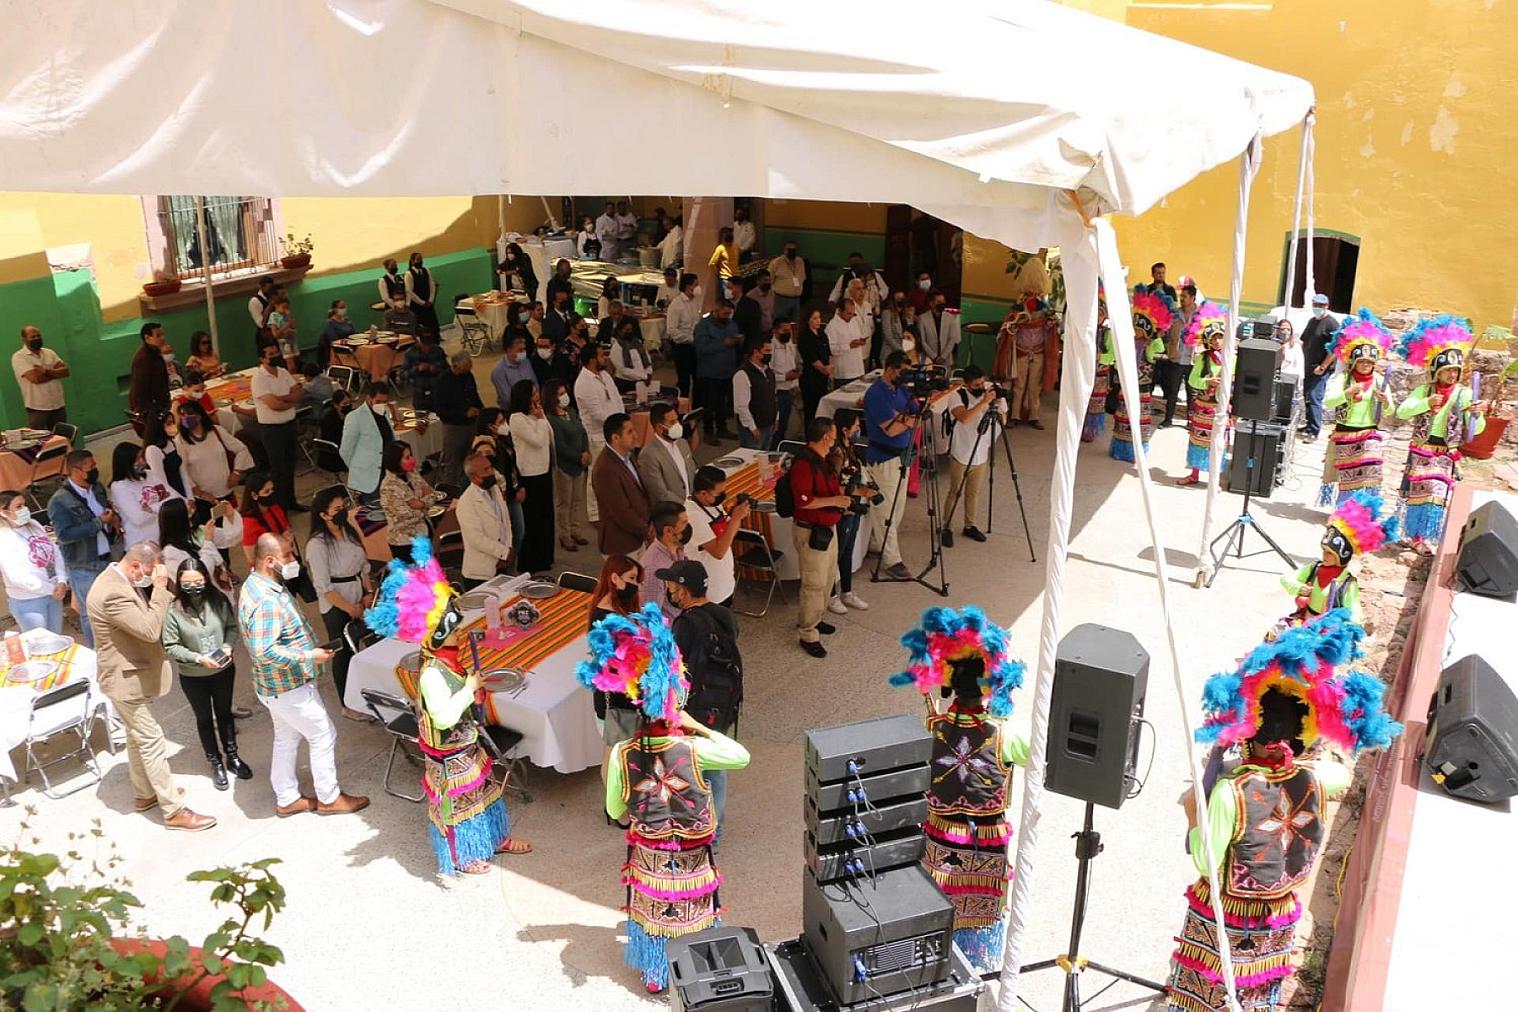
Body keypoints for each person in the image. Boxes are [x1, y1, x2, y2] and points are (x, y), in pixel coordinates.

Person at [1170, 610, 1400, 1012]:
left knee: (1213, 996)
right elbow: (1337, 774)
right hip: (1278, 914)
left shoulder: (1230, 793)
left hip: (1229, 915)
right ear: (1302, 734)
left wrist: (1194, 814)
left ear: (1246, 731)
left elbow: (1206, 862)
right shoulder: (1317, 780)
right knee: (1258, 996)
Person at [579, 605, 749, 994]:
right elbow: (740, 757)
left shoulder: (623, 753)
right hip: (692, 858)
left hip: (650, 859)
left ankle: (656, 974)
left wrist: (643, 807)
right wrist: (697, 727)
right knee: (694, 910)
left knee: (654, 913)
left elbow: (615, 810)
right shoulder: (693, 748)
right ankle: (696, 963)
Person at [367, 538, 530, 874]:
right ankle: (465, 855)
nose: (459, 632)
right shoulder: (431, 674)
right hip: (449, 757)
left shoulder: (448, 663)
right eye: (453, 629)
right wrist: (469, 689)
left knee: (485, 795)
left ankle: (495, 838)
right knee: (459, 808)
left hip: (467, 747)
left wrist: (473, 691)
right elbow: (443, 717)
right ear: (438, 634)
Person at [890, 606, 1028, 972]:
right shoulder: (1007, 736)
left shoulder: (931, 726)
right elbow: (1042, 753)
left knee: (940, 899)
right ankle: (975, 963)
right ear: (989, 686)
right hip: (986, 842)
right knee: (978, 913)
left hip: (940, 836)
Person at [89, 543, 217, 831]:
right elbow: (148, 630)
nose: (153, 576)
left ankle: (145, 793)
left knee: (137, 737)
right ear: (136, 566)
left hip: (131, 674)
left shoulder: (119, 580)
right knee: (152, 739)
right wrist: (159, 589)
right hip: (124, 679)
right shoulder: (112, 592)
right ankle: (173, 810)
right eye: (151, 570)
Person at [239, 532, 369, 817]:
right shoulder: (266, 601)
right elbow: (264, 651)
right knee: (323, 734)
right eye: (287, 555)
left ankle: (287, 797)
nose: (293, 560)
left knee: (287, 737)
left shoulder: (257, 584)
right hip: (289, 687)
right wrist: (310, 656)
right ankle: (329, 797)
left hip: (274, 687)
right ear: (269, 560)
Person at [657, 561, 744, 851]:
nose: (670, 591)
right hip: (723, 705)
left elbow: (674, 669)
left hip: (695, 710)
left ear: (683, 590)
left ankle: (698, 832)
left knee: (693, 771)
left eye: (672, 586)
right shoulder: (723, 614)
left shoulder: (686, 624)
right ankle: (714, 833)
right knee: (716, 768)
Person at [1394, 315, 1485, 551]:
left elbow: (1477, 429)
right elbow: (1402, 412)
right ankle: (1412, 535)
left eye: (1455, 370)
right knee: (1416, 494)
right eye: (1447, 370)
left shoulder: (1464, 394)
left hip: (1446, 452)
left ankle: (1425, 537)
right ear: (1437, 371)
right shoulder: (1424, 390)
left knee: (1435, 495)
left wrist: (1475, 415)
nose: (1452, 375)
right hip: (1420, 450)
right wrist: (1426, 403)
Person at [163, 556, 250, 791]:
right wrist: (198, 658)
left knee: (224, 713)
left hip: (223, 670)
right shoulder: (174, 610)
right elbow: (171, 645)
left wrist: (227, 647)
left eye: (198, 582)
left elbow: (231, 627)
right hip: (193, 676)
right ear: (179, 583)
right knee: (204, 718)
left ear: (205, 579)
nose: (193, 587)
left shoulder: (218, 601)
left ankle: (232, 756)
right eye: (187, 583)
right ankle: (215, 761)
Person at [1275, 490, 1396, 636]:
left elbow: (1355, 614)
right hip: (1303, 623)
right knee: (1274, 636)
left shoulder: (1347, 583)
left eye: (1330, 553)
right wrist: (1300, 587)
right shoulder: (1314, 568)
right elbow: (1286, 578)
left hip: (1324, 633)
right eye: (1324, 550)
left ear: (1342, 556)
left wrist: (1343, 625)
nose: (1324, 556)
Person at [1311, 309, 1399, 506]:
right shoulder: (1344, 379)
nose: (1366, 365)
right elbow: (1329, 402)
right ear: (1354, 362)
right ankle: (1345, 509)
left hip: (1369, 434)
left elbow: (1390, 411)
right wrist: (1347, 393)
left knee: (1372, 474)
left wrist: (1386, 401)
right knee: (1349, 478)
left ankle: (1367, 509)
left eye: (1369, 362)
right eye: (1362, 361)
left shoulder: (1379, 381)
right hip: (1345, 434)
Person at [304, 486, 372, 722]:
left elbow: (363, 565)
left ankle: (365, 692)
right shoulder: (317, 545)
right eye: (336, 509)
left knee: (363, 646)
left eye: (343, 507)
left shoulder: (349, 531)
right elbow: (323, 586)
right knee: (343, 652)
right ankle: (348, 703)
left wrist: (367, 593)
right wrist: (349, 608)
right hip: (336, 603)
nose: (342, 512)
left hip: (358, 593)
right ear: (324, 515)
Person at [789, 417, 854, 656]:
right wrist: (835, 501)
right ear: (826, 437)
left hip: (827, 528)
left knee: (827, 579)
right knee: (813, 584)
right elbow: (803, 501)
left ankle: (816, 618)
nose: (835, 441)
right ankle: (808, 632)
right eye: (834, 436)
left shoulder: (822, 460)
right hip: (811, 531)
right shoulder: (804, 464)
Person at [48, 450, 120, 646]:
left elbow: (106, 508)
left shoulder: (97, 488)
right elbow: (64, 535)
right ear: (76, 471)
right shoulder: (59, 501)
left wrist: (113, 519)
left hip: (107, 558)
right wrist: (98, 523)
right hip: (83, 565)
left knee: (113, 606)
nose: (95, 470)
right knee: (90, 613)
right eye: (91, 467)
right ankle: (97, 651)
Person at [587, 553, 645, 791]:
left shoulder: (613, 609)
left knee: (619, 755)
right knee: (614, 758)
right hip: (615, 701)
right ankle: (613, 806)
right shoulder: (607, 619)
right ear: (614, 578)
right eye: (631, 578)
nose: (635, 584)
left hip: (618, 698)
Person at [861, 352, 920, 582]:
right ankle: (892, 560)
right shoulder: (876, 394)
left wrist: (902, 418)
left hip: (903, 457)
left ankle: (878, 544)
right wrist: (907, 420)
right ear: (890, 369)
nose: (905, 377)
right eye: (902, 371)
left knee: (898, 507)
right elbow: (891, 429)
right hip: (883, 458)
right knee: (885, 510)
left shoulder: (902, 389)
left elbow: (918, 414)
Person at [940, 366, 1005, 545]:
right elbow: (964, 418)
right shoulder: (957, 396)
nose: (981, 387)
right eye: (976, 385)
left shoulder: (990, 395)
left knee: (973, 493)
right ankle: (947, 526)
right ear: (966, 384)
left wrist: (998, 404)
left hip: (981, 453)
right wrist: (984, 402)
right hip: (961, 453)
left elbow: (1003, 420)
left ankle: (970, 525)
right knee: (955, 492)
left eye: (982, 383)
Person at [1110, 287, 1173, 462]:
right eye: (1135, 328)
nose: (1136, 331)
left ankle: (1134, 452)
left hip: (1142, 389)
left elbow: (1160, 349)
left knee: (1138, 420)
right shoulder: (1129, 342)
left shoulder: (1149, 346)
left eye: (1139, 329)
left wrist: (1156, 335)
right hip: (1127, 386)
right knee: (1123, 418)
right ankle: (1120, 450)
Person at [1176, 303, 1233, 487]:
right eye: (1214, 337)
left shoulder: (1232, 358)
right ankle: (1194, 474)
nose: (1217, 341)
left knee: (1218, 443)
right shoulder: (1203, 358)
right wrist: (1207, 382)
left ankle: (1214, 480)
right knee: (1198, 441)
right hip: (1204, 408)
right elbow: (1193, 380)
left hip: (1222, 407)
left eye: (1220, 337)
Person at [0, 490, 69, 632]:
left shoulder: (34, 524)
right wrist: (51, 589)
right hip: (30, 601)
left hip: (54, 593)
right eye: (18, 507)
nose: (24, 509)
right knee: (40, 641)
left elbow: (54, 551)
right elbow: (16, 577)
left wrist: (62, 580)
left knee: (56, 637)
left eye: (24, 505)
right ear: (4, 512)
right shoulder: (4, 537)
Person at [507, 380, 555, 574]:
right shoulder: (517, 418)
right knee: (533, 519)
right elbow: (537, 441)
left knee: (546, 516)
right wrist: (541, 420)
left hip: (544, 470)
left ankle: (546, 556)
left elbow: (549, 436)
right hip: (529, 473)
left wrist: (541, 417)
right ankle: (532, 561)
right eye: (534, 392)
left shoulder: (537, 414)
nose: (537, 395)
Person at [683, 466, 749, 610]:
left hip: (724, 583)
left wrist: (736, 515)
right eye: (719, 493)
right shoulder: (693, 516)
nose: (722, 496)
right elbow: (718, 552)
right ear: (703, 493)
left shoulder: (713, 505)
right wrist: (735, 519)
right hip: (709, 592)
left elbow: (729, 533)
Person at [157, 497, 239, 610]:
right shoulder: (170, 552)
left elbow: (230, 538)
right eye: (188, 510)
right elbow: (197, 575)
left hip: (221, 596)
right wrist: (208, 542)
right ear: (180, 518)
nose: (192, 508)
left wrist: (230, 517)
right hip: (204, 606)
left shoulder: (198, 531)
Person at [250, 341, 304, 511]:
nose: (276, 356)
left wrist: (283, 398)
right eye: (271, 354)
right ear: (262, 358)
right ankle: (280, 507)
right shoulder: (259, 378)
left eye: (276, 352)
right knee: (278, 470)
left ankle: (291, 502)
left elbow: (299, 393)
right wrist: (289, 400)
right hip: (272, 430)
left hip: (289, 426)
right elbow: (274, 405)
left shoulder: (283, 372)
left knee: (290, 467)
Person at [826, 409, 870, 615]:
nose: (859, 429)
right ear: (845, 429)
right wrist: (858, 493)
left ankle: (847, 591)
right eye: (856, 426)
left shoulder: (849, 447)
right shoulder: (836, 453)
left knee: (848, 550)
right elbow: (833, 485)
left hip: (854, 504)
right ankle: (830, 595)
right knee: (837, 552)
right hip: (843, 508)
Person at [573, 342, 622, 521]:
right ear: (593, 360)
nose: (605, 358)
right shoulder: (583, 382)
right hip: (596, 435)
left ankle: (612, 507)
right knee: (596, 473)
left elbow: (617, 398)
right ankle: (594, 513)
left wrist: (622, 419)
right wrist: (617, 422)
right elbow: (596, 413)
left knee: (615, 472)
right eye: (602, 355)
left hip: (614, 431)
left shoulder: (604, 375)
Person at [592, 413, 652, 556]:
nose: (636, 435)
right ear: (615, 438)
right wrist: (648, 530)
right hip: (622, 544)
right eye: (630, 432)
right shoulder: (605, 469)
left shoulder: (628, 456)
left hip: (638, 537)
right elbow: (621, 512)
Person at [543, 379, 590, 553]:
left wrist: (586, 451)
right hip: (564, 467)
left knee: (577, 500)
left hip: (579, 464)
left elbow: (582, 432)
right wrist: (578, 457)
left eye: (565, 392)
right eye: (561, 393)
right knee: (565, 503)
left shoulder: (571, 411)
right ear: (552, 397)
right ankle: (565, 535)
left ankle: (575, 530)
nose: (565, 396)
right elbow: (560, 446)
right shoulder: (551, 419)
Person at [455, 451, 514, 588]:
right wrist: (503, 552)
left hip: (501, 564)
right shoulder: (466, 502)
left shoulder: (495, 490)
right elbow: (476, 539)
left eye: (491, 467)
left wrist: (508, 547)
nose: (492, 472)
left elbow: (505, 522)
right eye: (486, 470)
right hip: (480, 573)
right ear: (474, 477)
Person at [108, 440, 177, 548]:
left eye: (142, 457)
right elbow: (139, 518)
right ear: (127, 463)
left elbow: (174, 498)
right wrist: (164, 503)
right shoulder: (119, 487)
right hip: (142, 544)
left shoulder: (150, 474)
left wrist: (150, 508)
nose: (142, 461)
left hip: (164, 537)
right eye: (137, 459)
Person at [334, 380, 393, 505]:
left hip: (388, 469)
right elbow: (345, 450)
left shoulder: (385, 411)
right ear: (368, 398)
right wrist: (359, 468)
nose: (382, 404)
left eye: (384, 401)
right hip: (369, 474)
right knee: (374, 509)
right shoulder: (355, 417)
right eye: (378, 401)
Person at [378, 442, 438, 564]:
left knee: (429, 570)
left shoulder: (412, 473)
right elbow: (406, 517)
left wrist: (421, 503)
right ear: (396, 461)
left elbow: (432, 495)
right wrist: (424, 504)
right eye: (407, 457)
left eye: (411, 455)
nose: (412, 460)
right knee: (415, 574)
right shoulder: (388, 487)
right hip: (405, 542)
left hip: (424, 531)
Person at [694, 298, 742, 442]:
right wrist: (724, 343)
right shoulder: (703, 326)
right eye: (724, 314)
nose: (727, 316)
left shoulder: (731, 324)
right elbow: (701, 348)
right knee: (709, 404)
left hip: (727, 370)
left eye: (729, 314)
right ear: (716, 311)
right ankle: (708, 432)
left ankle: (722, 428)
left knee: (722, 402)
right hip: (709, 372)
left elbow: (735, 343)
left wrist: (738, 340)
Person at [436, 351, 483, 487]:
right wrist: (464, 414)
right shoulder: (443, 381)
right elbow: (441, 410)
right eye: (466, 367)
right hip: (454, 427)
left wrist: (481, 410)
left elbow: (475, 395)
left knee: (471, 459)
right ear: (456, 366)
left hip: (471, 424)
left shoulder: (468, 376)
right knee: (452, 463)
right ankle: (449, 489)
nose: (469, 369)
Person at [1299, 293, 1342, 440]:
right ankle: (1309, 424)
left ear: (1327, 306)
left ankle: (1314, 430)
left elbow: (1336, 349)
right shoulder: (1312, 321)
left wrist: (1323, 366)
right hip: (1309, 366)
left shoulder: (1331, 324)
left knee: (1314, 397)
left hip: (1321, 369)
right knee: (1307, 395)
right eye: (1316, 305)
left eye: (1321, 305)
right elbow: (1305, 340)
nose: (1318, 307)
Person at [11, 324, 70, 431]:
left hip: (58, 404)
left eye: (38, 336)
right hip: (37, 407)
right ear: (24, 340)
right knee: (38, 438)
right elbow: (35, 379)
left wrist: (46, 371)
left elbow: (65, 372)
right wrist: (55, 372)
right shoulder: (19, 357)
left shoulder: (49, 352)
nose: (37, 338)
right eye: (33, 337)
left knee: (61, 436)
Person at [638, 402, 696, 509]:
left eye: (677, 420)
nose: (678, 425)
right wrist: (687, 507)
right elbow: (660, 493)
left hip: (693, 503)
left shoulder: (682, 443)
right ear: (660, 427)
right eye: (672, 422)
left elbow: (692, 471)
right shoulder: (648, 455)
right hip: (673, 510)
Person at [640, 502, 689, 620]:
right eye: (684, 523)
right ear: (668, 531)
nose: (688, 527)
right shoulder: (654, 569)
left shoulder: (678, 549)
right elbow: (651, 617)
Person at [1158, 283, 1197, 428]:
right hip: (1176, 357)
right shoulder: (1174, 314)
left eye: (1184, 296)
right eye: (1181, 296)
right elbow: (1165, 330)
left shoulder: (1200, 316)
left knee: (1191, 393)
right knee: (1172, 391)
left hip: (1193, 359)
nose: (1181, 299)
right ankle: (1168, 419)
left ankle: (1191, 421)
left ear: (1192, 298)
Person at [732, 334, 778, 451]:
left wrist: (776, 418)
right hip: (753, 428)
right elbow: (741, 406)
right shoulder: (743, 374)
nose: (770, 354)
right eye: (767, 351)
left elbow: (773, 396)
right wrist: (752, 427)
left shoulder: (769, 372)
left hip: (768, 425)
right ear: (756, 352)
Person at [238, 471, 293, 568]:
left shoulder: (274, 507)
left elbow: (286, 529)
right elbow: (251, 558)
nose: (271, 493)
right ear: (254, 495)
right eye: (266, 491)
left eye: (272, 489)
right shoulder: (248, 523)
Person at [129, 322, 172, 433]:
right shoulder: (143, 359)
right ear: (147, 338)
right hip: (150, 409)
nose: (162, 338)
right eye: (158, 335)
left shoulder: (155, 353)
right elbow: (140, 388)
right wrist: (150, 412)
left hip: (160, 404)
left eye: (163, 334)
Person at [1083, 295, 1114, 443]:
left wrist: (1098, 356)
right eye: (1095, 313)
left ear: (1104, 316)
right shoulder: (1085, 330)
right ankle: (1079, 428)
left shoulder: (1107, 333)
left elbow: (1112, 356)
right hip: (1084, 371)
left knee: (1095, 402)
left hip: (1100, 375)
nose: (1097, 317)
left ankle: (1091, 429)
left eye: (1100, 314)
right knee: (1083, 400)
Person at [666, 271, 702, 399]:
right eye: (696, 284)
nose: (698, 287)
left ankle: (697, 405)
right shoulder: (676, 305)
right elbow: (672, 330)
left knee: (698, 378)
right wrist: (691, 339)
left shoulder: (696, 301)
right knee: (684, 381)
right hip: (682, 348)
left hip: (696, 347)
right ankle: (682, 406)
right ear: (688, 286)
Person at [798, 308, 833, 424]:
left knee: (821, 409)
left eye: (819, 318)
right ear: (808, 320)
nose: (818, 321)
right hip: (810, 377)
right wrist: (823, 368)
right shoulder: (805, 336)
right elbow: (811, 357)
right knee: (811, 409)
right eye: (815, 318)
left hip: (823, 376)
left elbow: (829, 352)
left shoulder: (822, 333)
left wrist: (829, 366)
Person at [610, 313, 655, 397]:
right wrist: (644, 376)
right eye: (627, 330)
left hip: (644, 381)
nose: (630, 332)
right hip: (626, 383)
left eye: (631, 330)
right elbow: (622, 370)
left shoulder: (638, 343)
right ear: (619, 331)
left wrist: (649, 372)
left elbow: (647, 360)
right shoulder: (617, 347)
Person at [826, 298, 868, 385]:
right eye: (848, 313)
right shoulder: (832, 326)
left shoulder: (854, 321)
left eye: (853, 313)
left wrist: (861, 341)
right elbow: (830, 349)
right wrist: (849, 346)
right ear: (839, 311)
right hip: (844, 373)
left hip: (858, 368)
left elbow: (858, 336)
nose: (851, 316)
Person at [404, 329, 447, 410]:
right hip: (420, 392)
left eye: (429, 344)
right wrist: (417, 369)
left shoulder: (438, 351)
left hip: (437, 390)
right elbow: (402, 374)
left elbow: (447, 370)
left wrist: (436, 369)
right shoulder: (410, 353)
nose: (427, 347)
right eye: (424, 344)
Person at [917, 291, 961, 368]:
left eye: (943, 301)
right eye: (939, 302)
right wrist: (934, 356)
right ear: (931, 303)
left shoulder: (950, 318)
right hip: (929, 359)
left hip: (946, 360)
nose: (942, 304)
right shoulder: (922, 318)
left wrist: (943, 356)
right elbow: (923, 341)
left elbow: (952, 339)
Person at [769, 241, 805, 323]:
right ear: (784, 250)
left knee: (794, 324)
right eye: (789, 249)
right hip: (781, 299)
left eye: (794, 249)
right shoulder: (776, 263)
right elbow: (769, 280)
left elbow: (802, 278)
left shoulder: (800, 262)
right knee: (780, 323)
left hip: (796, 299)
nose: (792, 251)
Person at [405, 250, 439, 337]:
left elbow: (431, 285)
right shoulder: (409, 274)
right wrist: (422, 302)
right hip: (417, 305)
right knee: (421, 325)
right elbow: (410, 291)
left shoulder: (426, 270)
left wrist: (430, 300)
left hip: (428, 301)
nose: (420, 261)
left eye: (421, 259)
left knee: (432, 323)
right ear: (412, 261)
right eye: (418, 259)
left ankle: (435, 338)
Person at [319, 300, 356, 367]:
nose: (343, 309)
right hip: (341, 351)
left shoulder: (347, 320)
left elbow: (354, 334)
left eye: (344, 307)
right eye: (341, 307)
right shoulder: (330, 323)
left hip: (352, 348)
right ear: (335, 309)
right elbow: (333, 341)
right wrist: (344, 341)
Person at [266, 295, 298, 369]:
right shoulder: (274, 316)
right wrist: (287, 326)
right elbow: (275, 334)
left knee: (296, 362)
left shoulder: (286, 315)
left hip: (292, 340)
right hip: (284, 343)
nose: (286, 310)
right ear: (276, 306)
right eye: (284, 307)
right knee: (291, 365)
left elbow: (293, 326)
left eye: (287, 307)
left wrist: (290, 317)